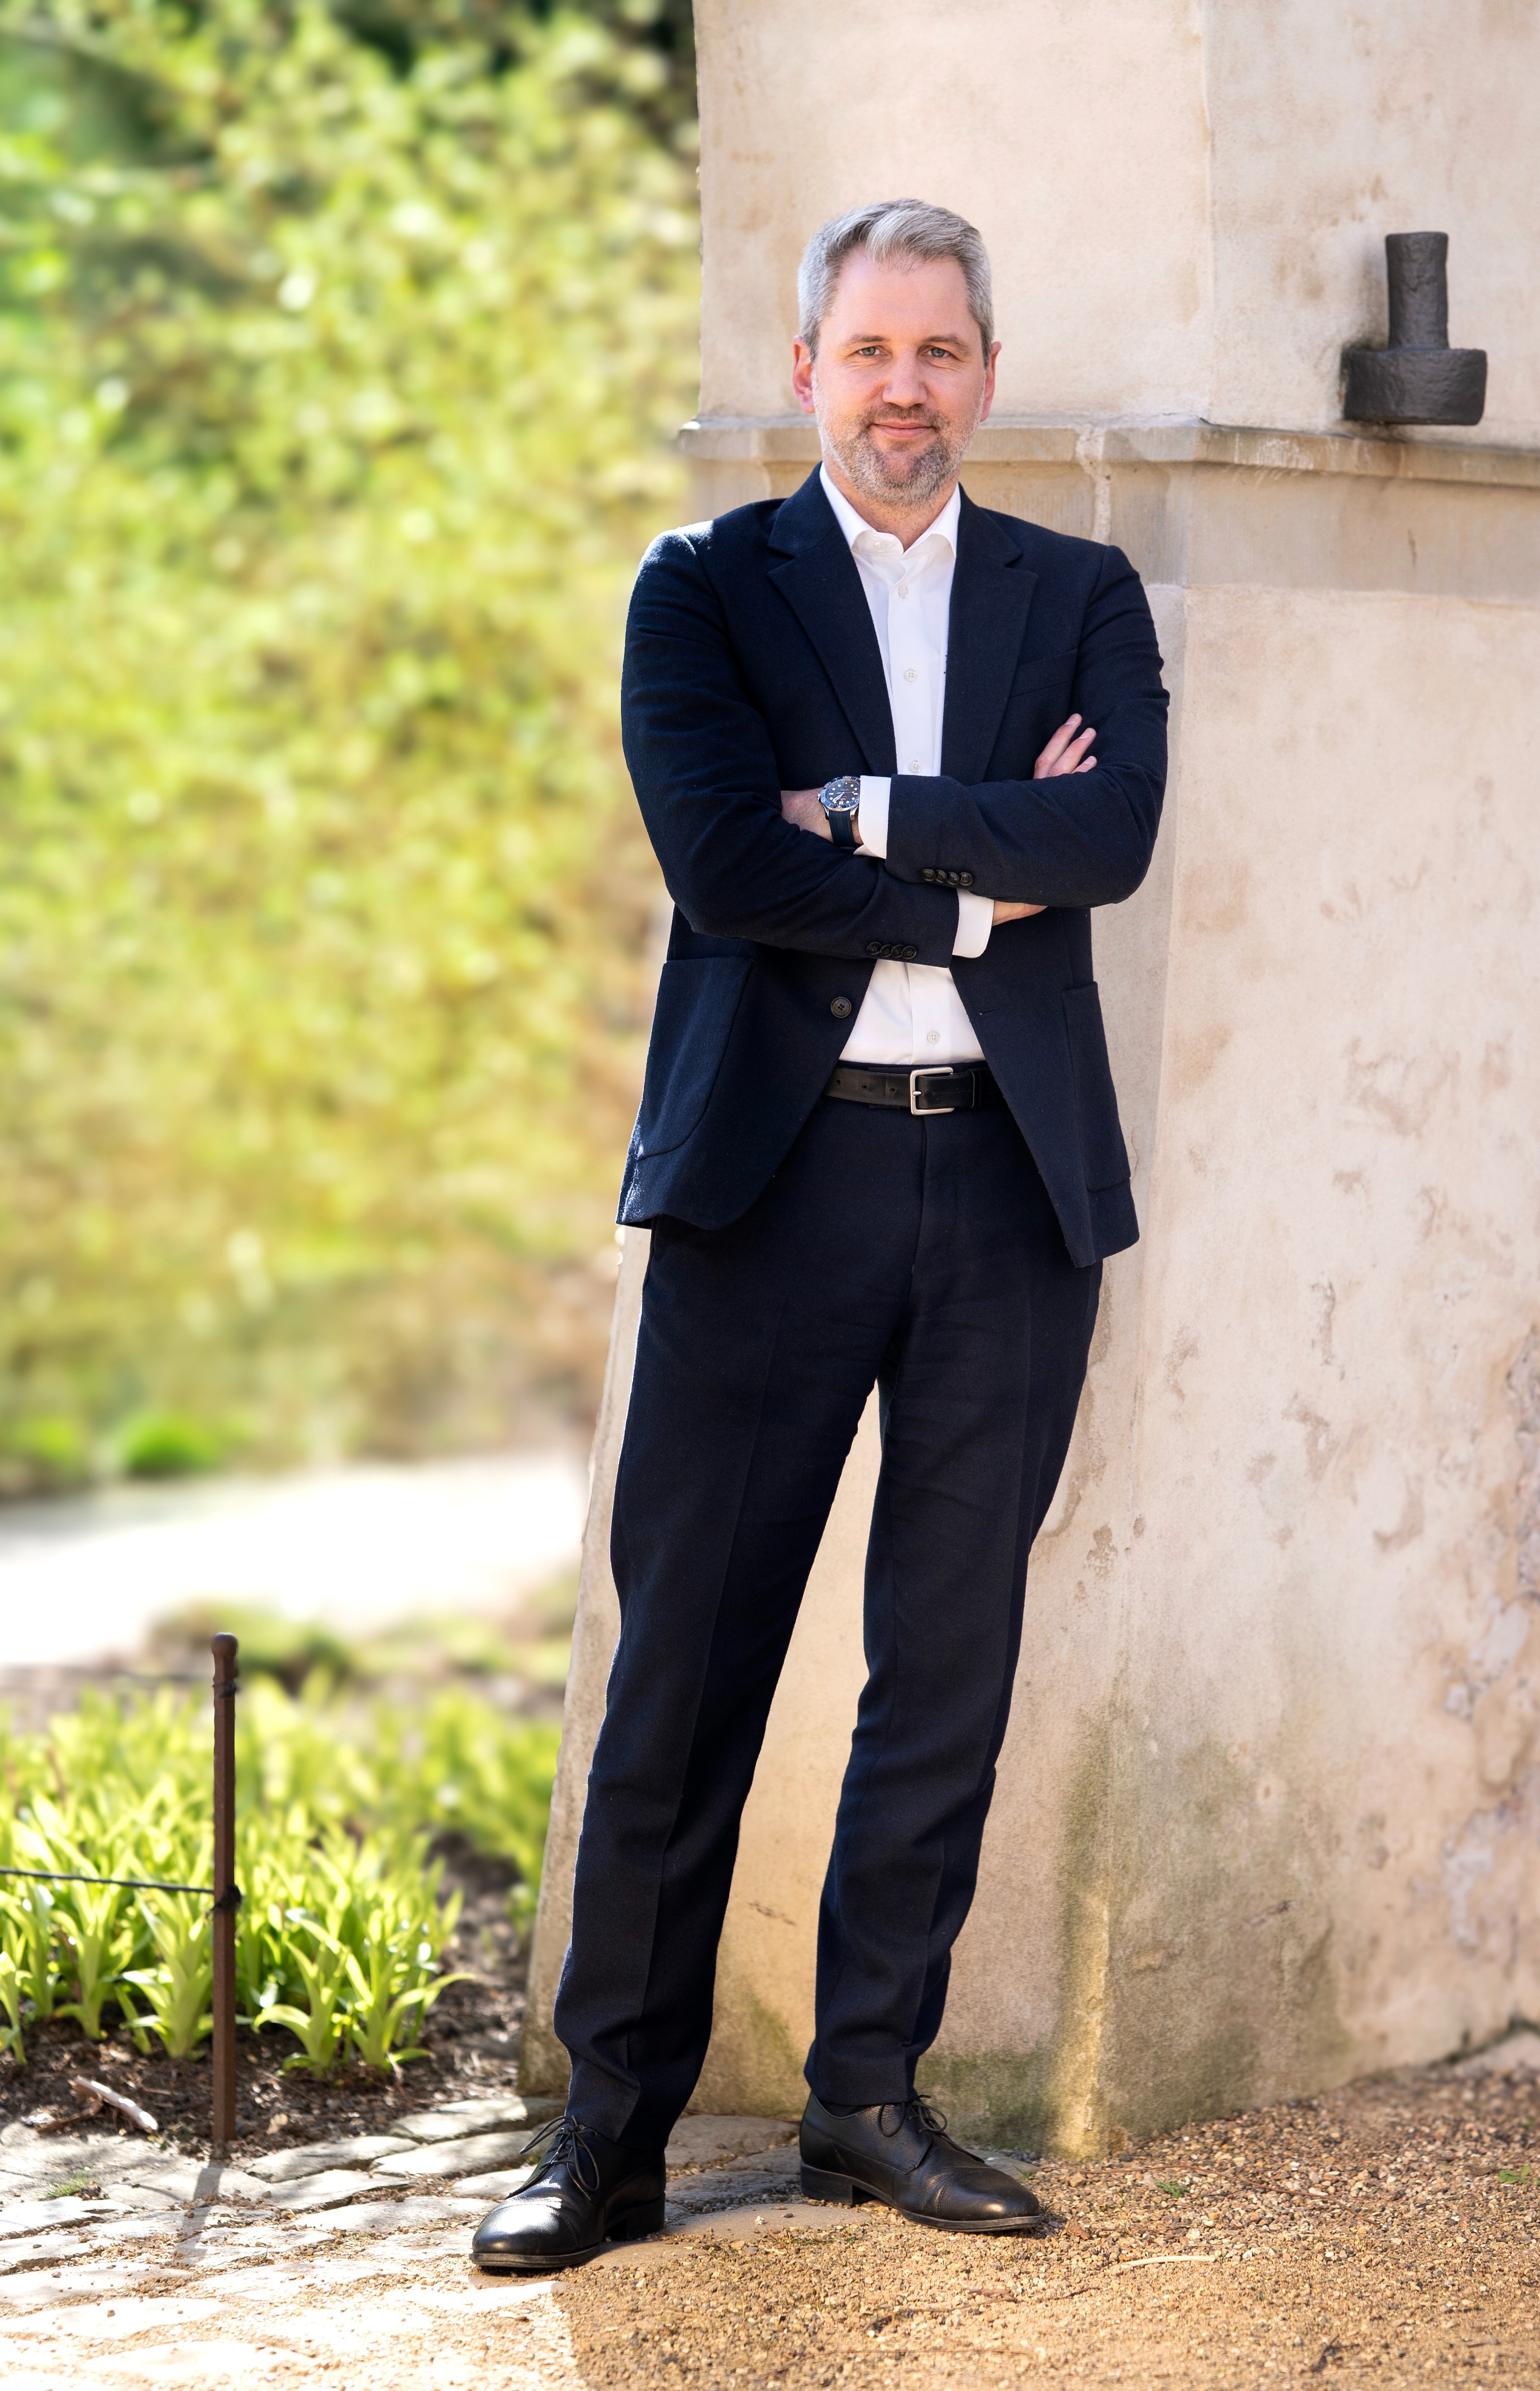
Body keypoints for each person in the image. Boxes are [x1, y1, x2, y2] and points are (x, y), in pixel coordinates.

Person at [473, 199, 1168, 2271]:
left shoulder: (1078, 594)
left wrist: (851, 809)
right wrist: (971, 865)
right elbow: (717, 861)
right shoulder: (702, 587)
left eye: (941, 352)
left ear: (985, 369)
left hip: (1012, 1188)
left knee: (942, 1663)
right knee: (685, 1663)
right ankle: (608, 2129)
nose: (904, 388)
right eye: (867, 352)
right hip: (771, 1187)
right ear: (808, 371)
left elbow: (1109, 835)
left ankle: (870, 2091)